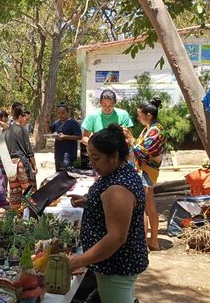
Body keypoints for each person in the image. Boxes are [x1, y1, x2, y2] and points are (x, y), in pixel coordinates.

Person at [68, 124, 148, 303]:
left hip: (116, 266)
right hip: (113, 263)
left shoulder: (118, 189)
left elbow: (116, 237)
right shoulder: (120, 171)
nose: (92, 163)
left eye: (96, 158)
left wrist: (80, 260)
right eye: (90, 157)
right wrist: (90, 203)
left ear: (114, 156)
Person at [127, 98, 167, 251]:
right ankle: (152, 241)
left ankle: (144, 243)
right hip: (144, 170)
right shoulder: (150, 128)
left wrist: (131, 139)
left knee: (144, 207)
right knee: (149, 206)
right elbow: (141, 146)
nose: (138, 118)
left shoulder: (157, 131)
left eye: (139, 115)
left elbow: (143, 152)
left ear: (148, 115)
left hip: (147, 171)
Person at [81, 90, 133, 169]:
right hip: (100, 159)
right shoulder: (92, 116)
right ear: (100, 103)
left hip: (118, 158)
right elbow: (84, 138)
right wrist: (97, 147)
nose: (107, 108)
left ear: (115, 103)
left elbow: (129, 138)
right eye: (104, 105)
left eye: (110, 105)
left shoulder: (123, 115)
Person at [5, 105, 38, 212]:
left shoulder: (7, 131)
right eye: (26, 119)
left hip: (10, 165)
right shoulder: (23, 130)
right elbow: (29, 151)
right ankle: (33, 216)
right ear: (19, 117)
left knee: (15, 193)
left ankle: (14, 218)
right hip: (21, 164)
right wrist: (35, 165)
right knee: (29, 191)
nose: (27, 121)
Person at [44, 103, 82, 170]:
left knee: (66, 177)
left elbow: (79, 136)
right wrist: (47, 121)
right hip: (58, 154)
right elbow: (48, 132)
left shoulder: (73, 123)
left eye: (62, 113)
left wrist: (65, 136)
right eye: (59, 113)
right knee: (58, 176)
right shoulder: (57, 122)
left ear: (67, 112)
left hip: (68, 155)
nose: (60, 115)